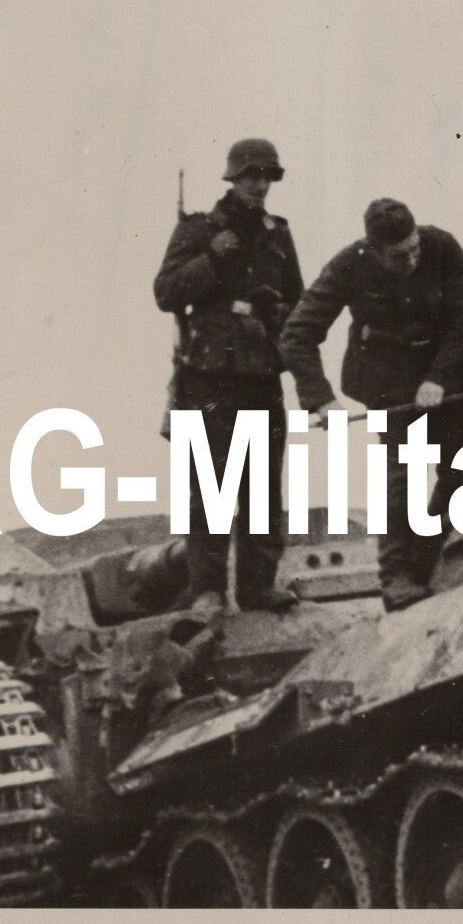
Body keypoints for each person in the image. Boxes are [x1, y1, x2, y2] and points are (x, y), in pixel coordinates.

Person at [280, 198, 463, 611]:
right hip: (386, 376)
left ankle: (428, 555)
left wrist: (438, 379)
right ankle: (395, 578)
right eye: (399, 255)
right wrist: (321, 401)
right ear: (374, 250)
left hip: (444, 370)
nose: (412, 260)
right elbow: (297, 333)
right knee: (401, 477)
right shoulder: (349, 265)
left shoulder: (441, 247)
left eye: (414, 249)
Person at [153, 138, 304, 613]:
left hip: (260, 372)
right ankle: (208, 591)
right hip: (208, 375)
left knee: (262, 486)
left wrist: (274, 309)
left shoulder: (278, 234)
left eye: (266, 177)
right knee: (210, 486)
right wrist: (212, 260)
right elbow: (166, 292)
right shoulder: (200, 230)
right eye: (251, 176)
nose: (259, 185)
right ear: (233, 179)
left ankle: (258, 586)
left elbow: (298, 299)